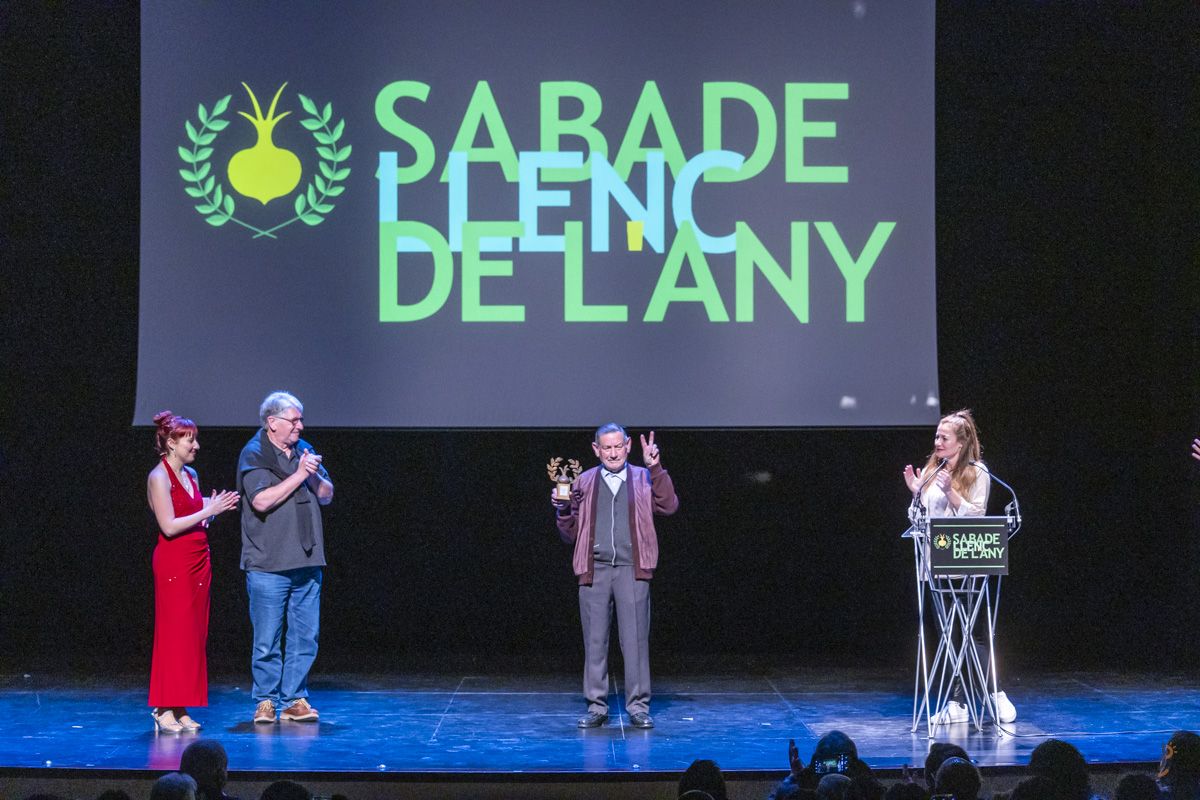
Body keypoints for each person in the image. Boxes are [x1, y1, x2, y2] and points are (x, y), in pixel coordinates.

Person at [553, 424, 679, 729]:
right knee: (595, 641)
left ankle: (638, 706)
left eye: (618, 447)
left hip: (631, 569)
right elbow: (571, 533)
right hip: (594, 570)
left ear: (627, 446)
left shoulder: (643, 477)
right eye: (606, 448)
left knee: (635, 641)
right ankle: (597, 706)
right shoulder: (582, 481)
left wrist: (656, 467)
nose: (612, 453)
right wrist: (562, 511)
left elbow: (668, 506)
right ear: (596, 450)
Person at [903, 409, 1016, 725]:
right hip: (936, 565)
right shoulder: (931, 470)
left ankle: (995, 693)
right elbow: (922, 515)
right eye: (936, 436)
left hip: (967, 564)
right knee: (949, 637)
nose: (937, 442)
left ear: (961, 442)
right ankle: (957, 702)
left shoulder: (978, 472)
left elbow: (976, 516)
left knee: (973, 634)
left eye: (943, 437)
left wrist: (951, 493)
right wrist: (916, 492)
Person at [237, 391, 334, 725]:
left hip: (306, 559)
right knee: (267, 638)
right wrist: (298, 475)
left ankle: (294, 699)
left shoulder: (303, 450)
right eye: (294, 420)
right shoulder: (255, 453)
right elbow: (262, 501)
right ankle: (265, 700)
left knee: (305, 636)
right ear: (272, 422)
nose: (300, 426)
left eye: (300, 420)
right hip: (268, 562)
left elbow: (326, 495)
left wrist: (312, 474)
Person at [147, 411, 240, 733]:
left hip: (199, 559)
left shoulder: (192, 475)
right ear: (171, 443)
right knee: (174, 635)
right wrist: (207, 509)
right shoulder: (158, 477)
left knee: (192, 636)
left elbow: (195, 513)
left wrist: (212, 511)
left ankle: (181, 706)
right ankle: (162, 707)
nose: (196, 446)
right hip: (175, 562)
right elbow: (169, 525)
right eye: (190, 440)